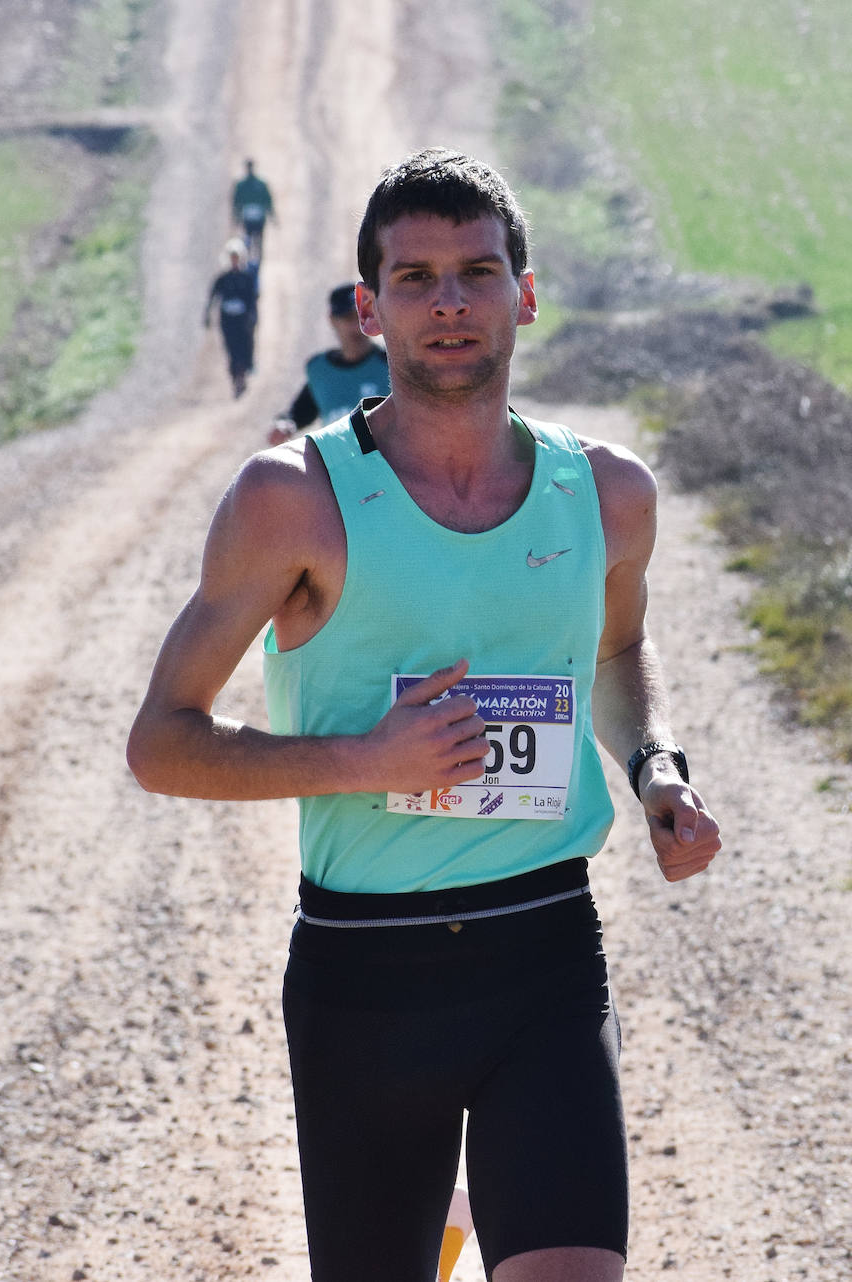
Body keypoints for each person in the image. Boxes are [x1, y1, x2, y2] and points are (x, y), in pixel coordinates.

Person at [127, 148, 721, 1282]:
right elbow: (162, 742)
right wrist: (367, 759)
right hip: (367, 974)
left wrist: (655, 767)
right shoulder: (290, 499)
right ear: (370, 307)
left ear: (525, 295)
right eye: (415, 278)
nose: (449, 301)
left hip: (545, 949)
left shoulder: (606, 493)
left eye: (478, 272)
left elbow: (617, 647)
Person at [267, 283, 390, 445]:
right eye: (348, 318)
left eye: (361, 317)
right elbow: (300, 411)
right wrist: (285, 424)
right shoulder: (320, 371)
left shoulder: (392, 365)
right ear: (332, 320)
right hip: (339, 466)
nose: (357, 326)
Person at [204, 239, 257, 397]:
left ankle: (244, 373)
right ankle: (235, 376)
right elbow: (213, 297)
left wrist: (253, 316)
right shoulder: (223, 278)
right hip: (228, 319)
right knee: (231, 348)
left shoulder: (246, 278)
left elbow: (252, 300)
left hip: (242, 319)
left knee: (244, 346)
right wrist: (207, 315)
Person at [231, 158, 275, 265]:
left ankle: (257, 259)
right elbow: (237, 201)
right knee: (249, 240)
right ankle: (249, 258)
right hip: (249, 217)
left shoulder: (258, 184)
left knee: (257, 239)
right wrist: (236, 216)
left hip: (256, 217)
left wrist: (271, 214)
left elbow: (267, 199)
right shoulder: (243, 185)